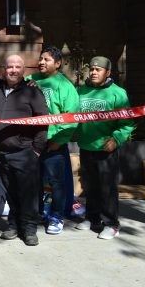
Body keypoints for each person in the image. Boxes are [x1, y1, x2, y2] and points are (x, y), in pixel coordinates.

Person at [0, 54, 49, 246]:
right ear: (4, 69)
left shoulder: (32, 92)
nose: (13, 70)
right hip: (1, 153)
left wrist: (37, 150)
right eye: (10, 66)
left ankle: (30, 229)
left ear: (24, 70)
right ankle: (14, 226)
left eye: (17, 67)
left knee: (28, 194)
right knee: (11, 193)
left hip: (25, 152)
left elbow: (42, 121)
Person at [74, 56, 134, 240]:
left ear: (108, 73)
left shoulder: (118, 93)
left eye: (98, 70)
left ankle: (111, 224)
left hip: (106, 148)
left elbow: (127, 123)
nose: (93, 72)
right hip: (86, 146)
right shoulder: (81, 91)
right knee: (90, 186)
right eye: (91, 69)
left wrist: (116, 139)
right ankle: (92, 218)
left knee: (107, 188)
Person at [25, 46, 79, 235]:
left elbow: (72, 118)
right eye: (40, 59)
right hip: (32, 142)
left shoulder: (65, 86)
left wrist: (58, 140)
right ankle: (38, 213)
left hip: (53, 143)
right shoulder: (30, 80)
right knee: (34, 181)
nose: (41, 62)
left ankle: (56, 216)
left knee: (57, 183)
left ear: (57, 64)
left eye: (46, 59)